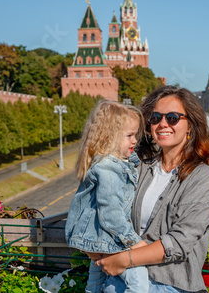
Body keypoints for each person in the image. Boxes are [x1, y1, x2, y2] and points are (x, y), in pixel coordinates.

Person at [97, 86, 209, 293]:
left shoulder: (201, 176)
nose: (163, 123)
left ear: (190, 125)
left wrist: (124, 260)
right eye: (155, 117)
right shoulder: (139, 167)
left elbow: (179, 242)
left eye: (172, 118)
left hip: (169, 285)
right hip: (122, 281)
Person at [65, 100, 149, 293]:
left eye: (135, 134)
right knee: (139, 282)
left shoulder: (105, 162)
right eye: (129, 135)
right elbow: (111, 214)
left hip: (95, 240)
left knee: (94, 286)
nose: (135, 140)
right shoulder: (108, 168)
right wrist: (135, 242)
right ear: (109, 137)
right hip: (108, 240)